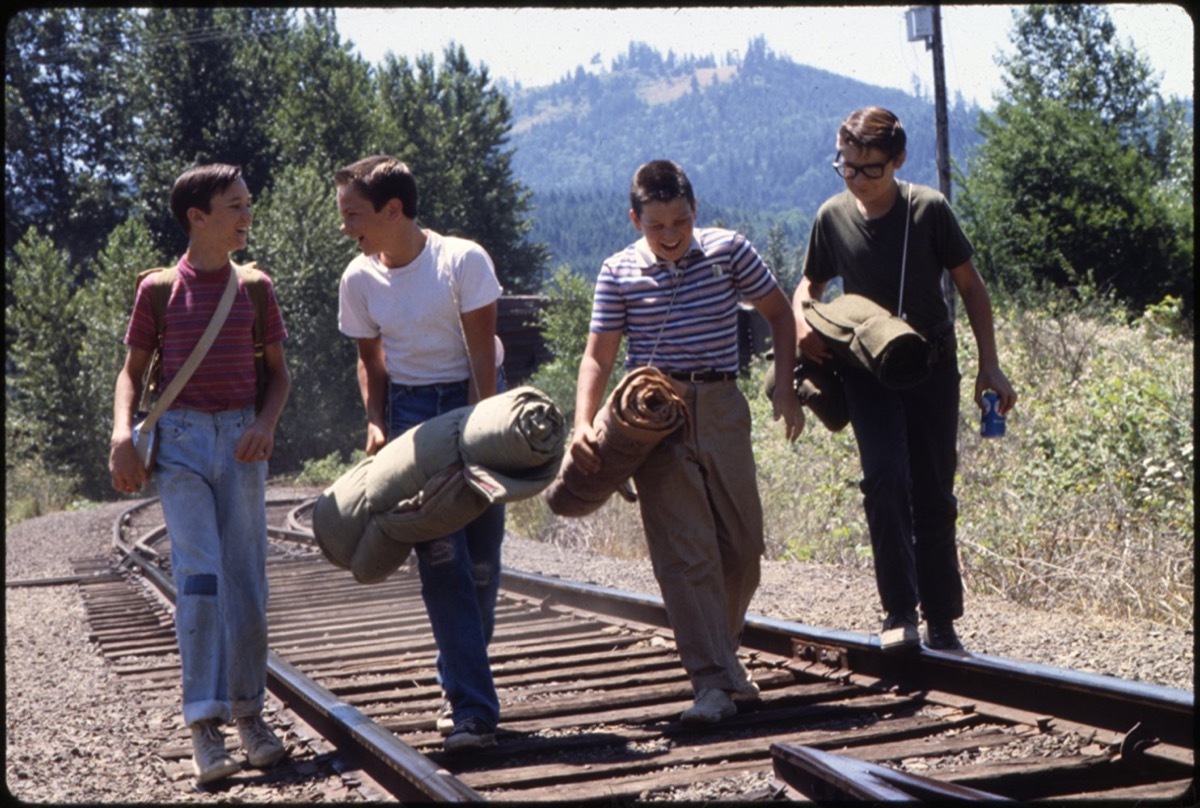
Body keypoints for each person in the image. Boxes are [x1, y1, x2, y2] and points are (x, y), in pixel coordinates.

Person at [570, 159, 805, 725]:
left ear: (694, 212)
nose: (671, 235)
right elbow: (598, 354)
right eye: (657, 226)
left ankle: (720, 659)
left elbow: (779, 314)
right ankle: (712, 682)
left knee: (743, 548)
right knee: (687, 554)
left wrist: (786, 388)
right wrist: (583, 423)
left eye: (680, 221)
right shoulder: (618, 271)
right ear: (635, 220)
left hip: (723, 405)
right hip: (655, 414)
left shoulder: (730, 252)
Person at [794, 106, 1018, 652]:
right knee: (885, 482)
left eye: (870, 169)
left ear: (897, 160)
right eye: (846, 167)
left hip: (935, 369)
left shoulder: (928, 210)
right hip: (868, 374)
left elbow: (971, 287)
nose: (857, 180)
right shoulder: (831, 217)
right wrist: (803, 321)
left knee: (933, 492)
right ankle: (900, 613)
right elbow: (809, 285)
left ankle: (942, 619)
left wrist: (990, 364)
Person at [109, 163, 292, 785]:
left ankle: (251, 718)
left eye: (248, 204)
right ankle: (204, 728)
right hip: (183, 443)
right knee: (202, 580)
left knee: (247, 584)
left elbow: (280, 375)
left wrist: (265, 423)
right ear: (198, 217)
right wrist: (120, 434)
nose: (247, 216)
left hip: (242, 442)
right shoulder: (159, 290)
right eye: (235, 206)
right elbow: (132, 374)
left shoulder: (257, 288)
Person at [333, 155, 506, 753]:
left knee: (481, 559)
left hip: (473, 399)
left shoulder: (461, 260)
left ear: (393, 210)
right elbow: (369, 360)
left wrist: (486, 434)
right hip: (409, 416)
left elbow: (481, 355)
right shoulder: (358, 278)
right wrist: (377, 422)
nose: (346, 227)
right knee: (441, 561)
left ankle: (459, 680)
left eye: (353, 215)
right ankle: (473, 712)